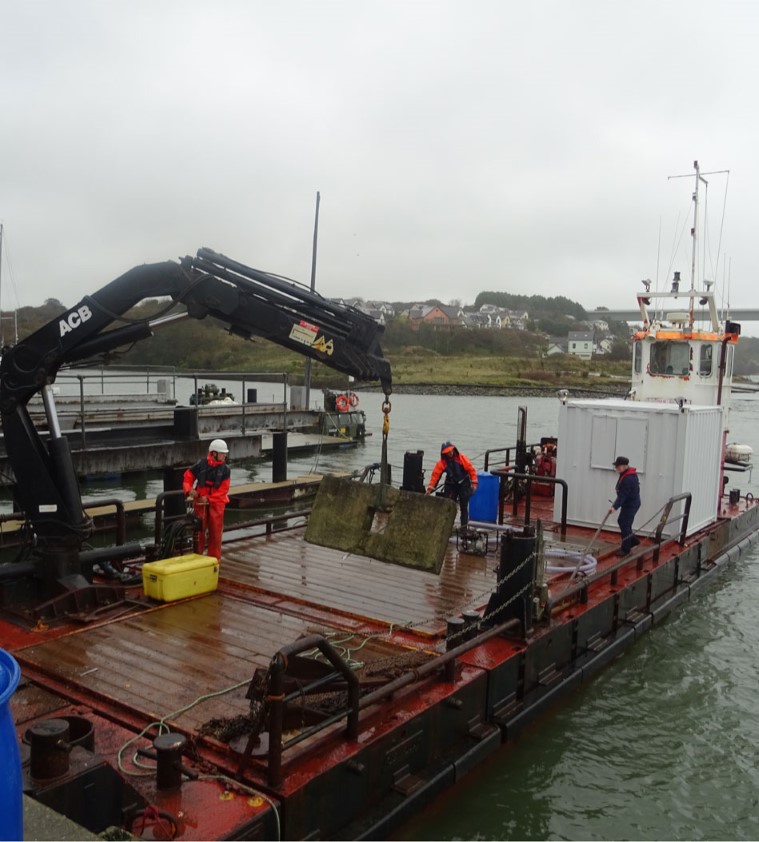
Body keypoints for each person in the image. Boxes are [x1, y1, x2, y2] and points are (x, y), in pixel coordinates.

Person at [183, 438, 231, 560]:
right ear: (214, 453)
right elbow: (187, 477)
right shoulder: (201, 465)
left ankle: (214, 560)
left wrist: (209, 499)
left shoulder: (225, 470)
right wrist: (189, 490)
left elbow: (223, 490)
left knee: (215, 534)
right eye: (222, 453)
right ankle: (197, 557)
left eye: (225, 454)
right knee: (199, 531)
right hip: (200, 502)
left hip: (216, 503)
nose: (224, 456)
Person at [426, 441, 478, 528]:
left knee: (464, 507)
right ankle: (447, 528)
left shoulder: (462, 458)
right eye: (447, 452)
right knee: (449, 507)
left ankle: (464, 528)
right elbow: (435, 476)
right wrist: (429, 490)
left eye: (451, 451)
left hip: (464, 484)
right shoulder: (441, 463)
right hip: (451, 485)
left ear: (454, 450)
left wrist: (474, 484)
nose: (450, 453)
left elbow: (471, 470)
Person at [609, 456, 641, 557]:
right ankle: (633, 540)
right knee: (622, 522)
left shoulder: (628, 479)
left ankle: (626, 549)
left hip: (631, 504)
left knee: (625, 524)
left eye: (618, 466)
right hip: (628, 503)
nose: (616, 468)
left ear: (624, 466)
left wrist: (614, 507)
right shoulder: (625, 474)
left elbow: (623, 495)